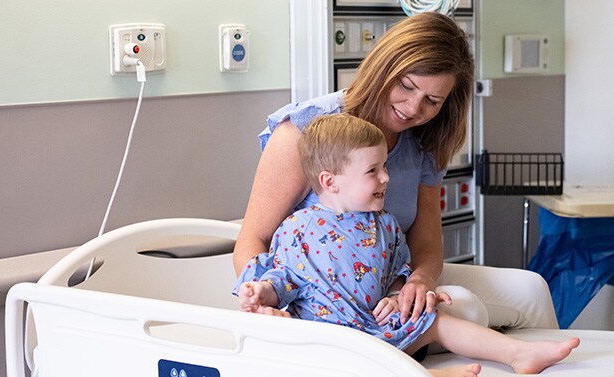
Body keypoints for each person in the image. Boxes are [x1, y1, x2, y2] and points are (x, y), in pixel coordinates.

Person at [232, 11, 558, 335]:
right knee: (466, 307)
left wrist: (419, 281)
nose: (413, 108)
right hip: (319, 303)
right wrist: (265, 303)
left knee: (532, 288)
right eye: (406, 86)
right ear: (383, 69)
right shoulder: (308, 132)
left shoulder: (426, 141)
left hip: (389, 284)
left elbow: (427, 242)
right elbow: (253, 238)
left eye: (432, 100)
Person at [234, 114, 580, 377]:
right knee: (336, 363)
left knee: (436, 323)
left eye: (385, 166)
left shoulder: (383, 224)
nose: (386, 177)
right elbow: (283, 279)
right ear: (330, 181)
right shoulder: (297, 230)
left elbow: (397, 270)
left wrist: (401, 295)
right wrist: (263, 292)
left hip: (376, 326)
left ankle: (516, 353)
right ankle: (431, 375)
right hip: (326, 337)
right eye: (373, 171)